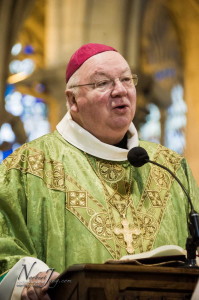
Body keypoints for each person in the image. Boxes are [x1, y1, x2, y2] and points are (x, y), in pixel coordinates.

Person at [0, 43, 198, 300]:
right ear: (72, 100)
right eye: (102, 83)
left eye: (127, 79)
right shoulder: (28, 166)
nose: (120, 90)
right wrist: (32, 278)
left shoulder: (169, 166)